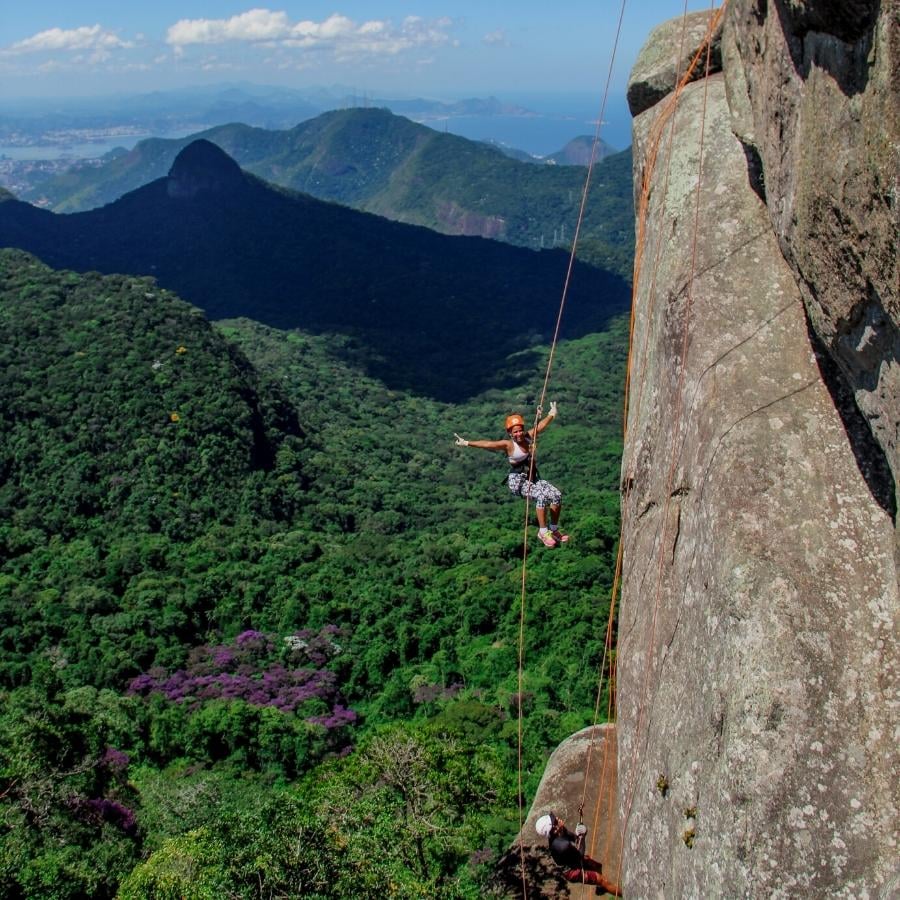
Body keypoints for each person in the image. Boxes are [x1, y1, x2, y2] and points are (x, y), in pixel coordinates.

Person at [454, 404, 567, 548]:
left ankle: (554, 529)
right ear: (510, 434)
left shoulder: (528, 437)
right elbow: (489, 444)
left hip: (531, 477)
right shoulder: (509, 445)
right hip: (518, 481)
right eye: (515, 432)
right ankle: (543, 532)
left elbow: (541, 426)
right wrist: (467, 443)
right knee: (541, 496)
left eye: (520, 430)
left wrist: (552, 414)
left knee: (556, 495)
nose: (519, 434)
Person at [535, 811, 620, 894]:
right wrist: (582, 836)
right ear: (554, 830)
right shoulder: (562, 846)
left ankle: (600, 887)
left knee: (597, 866)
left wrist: (578, 835)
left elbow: (573, 838)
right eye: (555, 821)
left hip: (571, 858)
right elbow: (580, 855)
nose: (557, 818)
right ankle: (626, 894)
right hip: (572, 871)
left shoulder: (559, 831)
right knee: (602, 880)